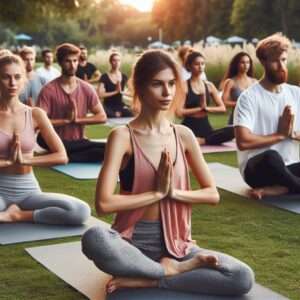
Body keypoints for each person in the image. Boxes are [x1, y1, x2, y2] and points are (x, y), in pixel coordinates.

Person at [81, 50, 254, 296]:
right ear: (140, 87)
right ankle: (165, 271)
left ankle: (154, 277)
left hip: (178, 247)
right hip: (131, 245)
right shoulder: (122, 137)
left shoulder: (183, 135)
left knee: (241, 277)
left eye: (172, 84)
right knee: (95, 237)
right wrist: (157, 193)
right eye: (157, 85)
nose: (167, 93)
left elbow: (212, 194)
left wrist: (173, 192)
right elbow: (104, 203)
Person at [0, 51, 90, 224]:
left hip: (29, 192)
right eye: (6, 77)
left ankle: (18, 215)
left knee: (80, 211)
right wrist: (8, 162)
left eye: (17, 77)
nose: (12, 83)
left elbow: (61, 156)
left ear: (24, 79)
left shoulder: (35, 114)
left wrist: (25, 161)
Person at [234, 33, 300, 199]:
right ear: (263, 62)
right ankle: (294, 186)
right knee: (272, 156)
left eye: (284, 60)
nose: (281, 66)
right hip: (258, 169)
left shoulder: (296, 93)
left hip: (290, 166)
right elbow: (243, 142)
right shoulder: (249, 97)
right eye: (275, 61)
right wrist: (279, 135)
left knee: (281, 162)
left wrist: (293, 134)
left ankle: (282, 187)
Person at [37, 43, 107, 163]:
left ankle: (67, 155)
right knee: (43, 139)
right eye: (68, 61)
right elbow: (38, 122)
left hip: (77, 142)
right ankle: (65, 152)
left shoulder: (87, 88)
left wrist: (77, 120)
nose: (72, 65)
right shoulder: (48, 90)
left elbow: (102, 117)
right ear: (59, 63)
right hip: (52, 140)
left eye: (75, 61)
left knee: (106, 149)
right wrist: (65, 121)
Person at [178, 51, 234, 145]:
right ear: (189, 66)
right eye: (197, 64)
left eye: (202, 64)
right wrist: (199, 108)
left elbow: (222, 108)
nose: (200, 67)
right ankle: (200, 140)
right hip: (189, 126)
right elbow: (179, 112)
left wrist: (207, 109)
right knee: (175, 135)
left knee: (234, 130)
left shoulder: (209, 86)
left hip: (206, 127)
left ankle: (202, 141)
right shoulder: (184, 86)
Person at [221, 52, 256, 125]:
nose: (246, 65)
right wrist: (241, 103)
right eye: (242, 62)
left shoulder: (255, 82)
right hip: (237, 118)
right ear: (236, 64)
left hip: (252, 117)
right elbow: (224, 102)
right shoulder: (231, 82)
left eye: (248, 62)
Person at [98, 52, 133, 118]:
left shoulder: (124, 76)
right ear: (110, 62)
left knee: (131, 113)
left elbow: (132, 92)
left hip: (120, 105)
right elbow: (100, 94)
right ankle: (115, 114)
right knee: (110, 114)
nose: (117, 62)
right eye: (114, 60)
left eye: (118, 60)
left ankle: (119, 113)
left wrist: (122, 92)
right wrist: (115, 92)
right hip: (108, 106)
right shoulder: (104, 77)